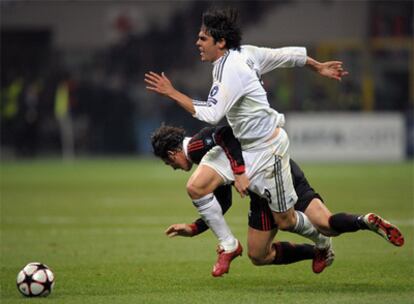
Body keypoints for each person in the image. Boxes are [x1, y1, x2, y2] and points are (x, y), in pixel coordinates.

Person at [145, 7, 347, 274]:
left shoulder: (228, 70)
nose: (197, 43)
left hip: (265, 152)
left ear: (221, 42)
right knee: (258, 253)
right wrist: (317, 66)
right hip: (260, 151)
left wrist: (172, 93)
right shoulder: (246, 54)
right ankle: (307, 244)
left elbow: (214, 116)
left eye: (203, 38)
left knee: (287, 221)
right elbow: (287, 55)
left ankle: (317, 240)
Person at [151, 125, 404, 271]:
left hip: (274, 177)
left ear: (173, 153)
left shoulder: (196, 146)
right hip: (275, 181)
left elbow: (226, 134)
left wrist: (239, 172)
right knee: (321, 226)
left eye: (167, 162)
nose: (172, 167)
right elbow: (224, 201)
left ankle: (321, 248)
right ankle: (363, 221)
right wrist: (195, 227)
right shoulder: (207, 161)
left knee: (279, 235)